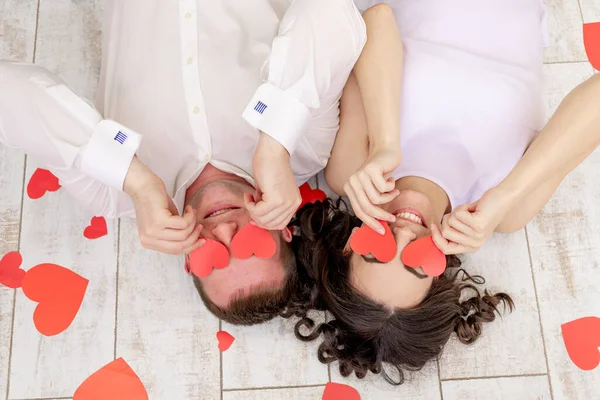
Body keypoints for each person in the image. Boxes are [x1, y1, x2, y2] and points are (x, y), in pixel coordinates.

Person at [288, 0, 600, 385]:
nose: (404, 233)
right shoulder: (506, 210)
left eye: (377, 250)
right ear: (439, 277)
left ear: (349, 244)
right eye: (416, 263)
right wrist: (506, 192)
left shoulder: (351, 169)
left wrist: (386, 144)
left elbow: (377, 17)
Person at [0, 0, 367, 325]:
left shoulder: (111, 192)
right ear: (284, 230)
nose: (223, 232)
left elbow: (9, 94)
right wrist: (275, 144)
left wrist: (136, 180)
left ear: (189, 261)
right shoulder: (304, 148)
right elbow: (331, 11)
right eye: (249, 244)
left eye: (214, 256)